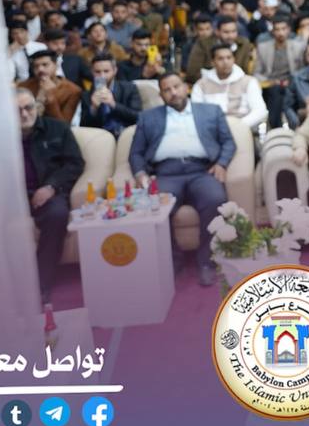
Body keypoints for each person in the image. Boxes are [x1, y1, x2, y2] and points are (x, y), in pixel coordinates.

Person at [129, 73, 236, 287]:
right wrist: (140, 174)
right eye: (167, 90)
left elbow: (228, 142)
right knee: (156, 206)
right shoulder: (148, 117)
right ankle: (172, 260)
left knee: (215, 199)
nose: (173, 93)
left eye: (176, 87)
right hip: (166, 173)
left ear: (186, 87)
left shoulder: (210, 111)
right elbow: (136, 152)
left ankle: (207, 262)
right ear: (161, 95)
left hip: (201, 171)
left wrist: (222, 164)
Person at [15, 87, 84, 304]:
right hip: (13, 197)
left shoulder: (58, 128)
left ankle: (39, 284)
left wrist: (51, 187)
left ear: (37, 107)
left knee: (57, 215)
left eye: (28, 108)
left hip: (49, 192)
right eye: (17, 111)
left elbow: (75, 163)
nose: (24, 114)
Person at [192, 43, 268, 132]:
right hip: (211, 131)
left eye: (229, 57)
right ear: (212, 62)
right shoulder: (201, 85)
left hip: (242, 130)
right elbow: (196, 113)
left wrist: (238, 126)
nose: (226, 62)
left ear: (234, 59)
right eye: (220, 58)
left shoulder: (249, 82)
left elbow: (260, 111)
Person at [254, 17, 307, 128]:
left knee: (288, 93)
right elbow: (257, 73)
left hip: (292, 83)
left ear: (289, 30)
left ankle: (285, 126)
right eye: (277, 29)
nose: (280, 33)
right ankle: (277, 126)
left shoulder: (297, 47)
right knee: (276, 91)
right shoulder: (263, 47)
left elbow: (302, 70)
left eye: (283, 29)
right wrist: (271, 82)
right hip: (271, 84)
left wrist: (290, 81)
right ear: (272, 31)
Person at [78, 55, 143, 137]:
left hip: (125, 134)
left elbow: (138, 117)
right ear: (92, 72)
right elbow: (83, 126)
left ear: (115, 71)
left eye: (106, 71)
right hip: (99, 137)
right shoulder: (87, 95)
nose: (102, 76)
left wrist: (113, 104)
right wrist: (94, 108)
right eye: (97, 72)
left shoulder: (129, 88)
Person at [184, 15, 254, 84]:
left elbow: (246, 71)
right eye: (226, 32)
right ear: (217, 32)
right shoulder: (203, 44)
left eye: (233, 31)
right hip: (209, 85)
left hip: (238, 84)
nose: (230, 36)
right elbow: (192, 73)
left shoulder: (244, 44)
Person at [18, 50, 83, 123]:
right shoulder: (24, 86)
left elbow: (63, 124)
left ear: (56, 65)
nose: (40, 69)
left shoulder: (72, 90)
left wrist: (49, 96)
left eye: (45, 65)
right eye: (36, 66)